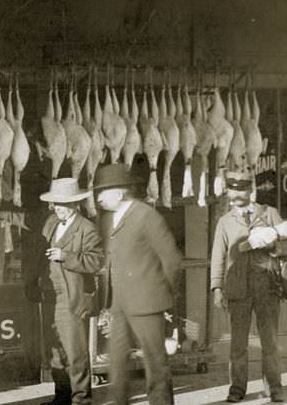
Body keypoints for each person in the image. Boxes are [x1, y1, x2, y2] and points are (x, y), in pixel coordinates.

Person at [93, 164, 181, 405]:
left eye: (103, 192)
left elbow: (171, 260)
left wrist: (164, 296)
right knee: (117, 359)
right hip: (120, 304)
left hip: (148, 303)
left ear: (120, 192)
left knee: (155, 363)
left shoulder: (146, 215)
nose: (98, 197)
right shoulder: (111, 218)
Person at [210, 170, 287, 403]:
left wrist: (272, 243)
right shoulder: (224, 222)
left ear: (250, 190)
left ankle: (274, 388)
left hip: (267, 287)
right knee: (238, 344)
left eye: (242, 189)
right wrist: (217, 288)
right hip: (237, 289)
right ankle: (237, 389)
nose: (237, 194)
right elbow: (218, 256)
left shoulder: (269, 213)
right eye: (233, 189)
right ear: (228, 191)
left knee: (270, 341)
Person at [26, 177, 104, 405]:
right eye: (55, 204)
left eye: (62, 204)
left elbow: (96, 262)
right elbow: (27, 222)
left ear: (74, 205)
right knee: (56, 352)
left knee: (75, 352)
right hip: (49, 295)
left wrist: (66, 257)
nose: (57, 208)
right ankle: (62, 396)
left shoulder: (87, 228)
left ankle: (81, 399)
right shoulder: (51, 222)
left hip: (71, 297)